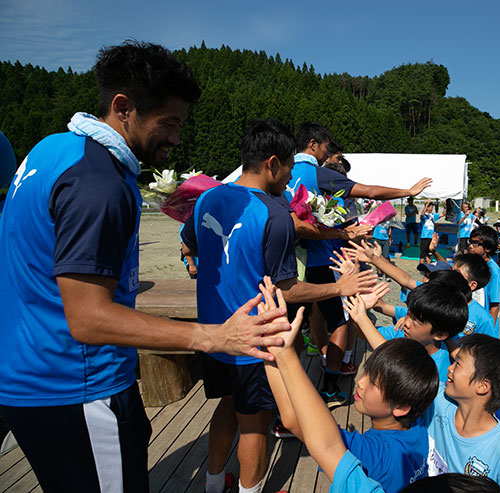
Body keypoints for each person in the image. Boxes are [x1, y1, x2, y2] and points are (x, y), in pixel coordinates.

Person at [0, 42, 293, 493]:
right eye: (169, 123)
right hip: (77, 384)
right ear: (124, 108)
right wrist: (211, 336)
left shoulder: (50, 149)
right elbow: (88, 317)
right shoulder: (99, 181)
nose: (175, 137)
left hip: (26, 375)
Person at [180, 120, 377, 493]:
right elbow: (285, 290)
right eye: (288, 167)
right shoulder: (272, 214)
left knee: (227, 405)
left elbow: (188, 245)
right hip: (253, 339)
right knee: (254, 421)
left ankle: (213, 483)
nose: (290, 180)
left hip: (213, 332)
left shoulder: (208, 197)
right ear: (272, 163)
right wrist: (339, 287)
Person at [284, 121, 431, 408]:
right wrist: (408, 191)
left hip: (289, 263)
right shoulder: (317, 174)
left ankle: (293, 385)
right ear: (313, 144)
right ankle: (329, 386)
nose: (328, 154)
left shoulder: (282, 172)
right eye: (326, 147)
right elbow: (370, 192)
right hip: (323, 260)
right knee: (340, 321)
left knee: (298, 323)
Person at [266, 301, 438, 492]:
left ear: (401, 407)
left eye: (373, 383)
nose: (360, 382)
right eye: (366, 372)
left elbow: (292, 419)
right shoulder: (418, 424)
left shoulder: (373, 454)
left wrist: (273, 351)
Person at [423, 334, 500, 492]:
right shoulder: (438, 398)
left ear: (482, 386)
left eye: (458, 364)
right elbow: (402, 369)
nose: (449, 368)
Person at [344, 278, 468, 384]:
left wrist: (361, 318)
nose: (407, 323)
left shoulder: (436, 368)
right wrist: (360, 314)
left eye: (416, 321)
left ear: (440, 334)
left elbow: (394, 361)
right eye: (408, 314)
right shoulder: (402, 332)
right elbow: (364, 334)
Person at [466, 226, 500, 329]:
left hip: (481, 324)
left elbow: (494, 305)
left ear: (488, 248)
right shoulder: (472, 263)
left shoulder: (494, 272)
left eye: (475, 243)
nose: (470, 246)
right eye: (470, 242)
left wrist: (489, 330)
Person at [419, 199, 443, 264]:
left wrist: (445, 206)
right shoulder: (424, 215)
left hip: (431, 237)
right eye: (431, 207)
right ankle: (421, 267)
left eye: (432, 207)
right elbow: (422, 215)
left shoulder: (433, 215)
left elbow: (443, 214)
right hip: (424, 237)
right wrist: (426, 204)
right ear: (427, 207)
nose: (432, 208)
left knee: (429, 254)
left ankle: (428, 267)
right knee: (422, 255)